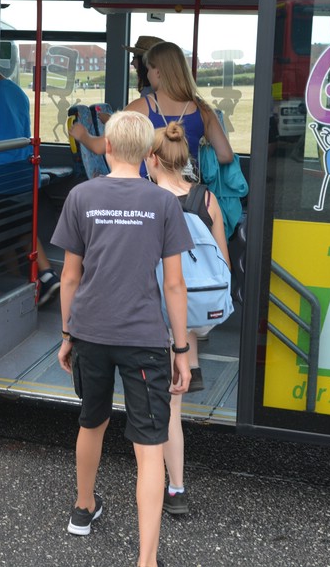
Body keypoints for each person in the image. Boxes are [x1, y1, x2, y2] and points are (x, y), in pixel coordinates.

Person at [52, 110, 192, 567]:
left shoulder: (81, 196)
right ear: (150, 154)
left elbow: (70, 277)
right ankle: (146, 560)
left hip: (90, 330)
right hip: (145, 338)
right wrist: (182, 350)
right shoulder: (165, 204)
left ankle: (83, 507)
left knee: (91, 422)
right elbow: (174, 285)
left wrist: (67, 332)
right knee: (148, 446)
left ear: (107, 148)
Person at [145, 122, 230, 517]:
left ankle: (157, 481)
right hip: (194, 316)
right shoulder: (206, 198)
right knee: (175, 405)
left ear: (152, 159)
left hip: (154, 314)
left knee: (158, 408)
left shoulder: (147, 200)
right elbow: (222, 263)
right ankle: (176, 489)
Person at [71, 41, 234, 180]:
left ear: (157, 72)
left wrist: (82, 135)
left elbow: (101, 147)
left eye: (148, 69)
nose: (147, 75)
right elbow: (225, 155)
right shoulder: (203, 110)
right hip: (188, 192)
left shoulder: (140, 107)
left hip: (148, 193)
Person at [0, 37, 60, 304]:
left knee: (1, 231)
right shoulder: (16, 91)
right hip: (25, 173)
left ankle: (26, 287)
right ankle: (37, 282)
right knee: (19, 227)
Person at [68, 35, 162, 151]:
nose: (132, 62)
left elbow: (100, 147)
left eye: (135, 57)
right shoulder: (188, 103)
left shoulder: (146, 101)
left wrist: (82, 134)